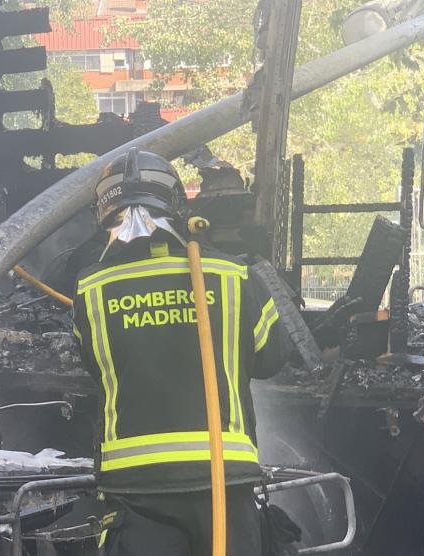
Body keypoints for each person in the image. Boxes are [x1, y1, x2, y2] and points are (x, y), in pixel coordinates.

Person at [71, 148, 290, 555]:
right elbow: (271, 358)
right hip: (224, 480)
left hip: (136, 489)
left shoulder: (91, 288)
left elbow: (93, 364)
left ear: (104, 212)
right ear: (177, 205)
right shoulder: (231, 274)